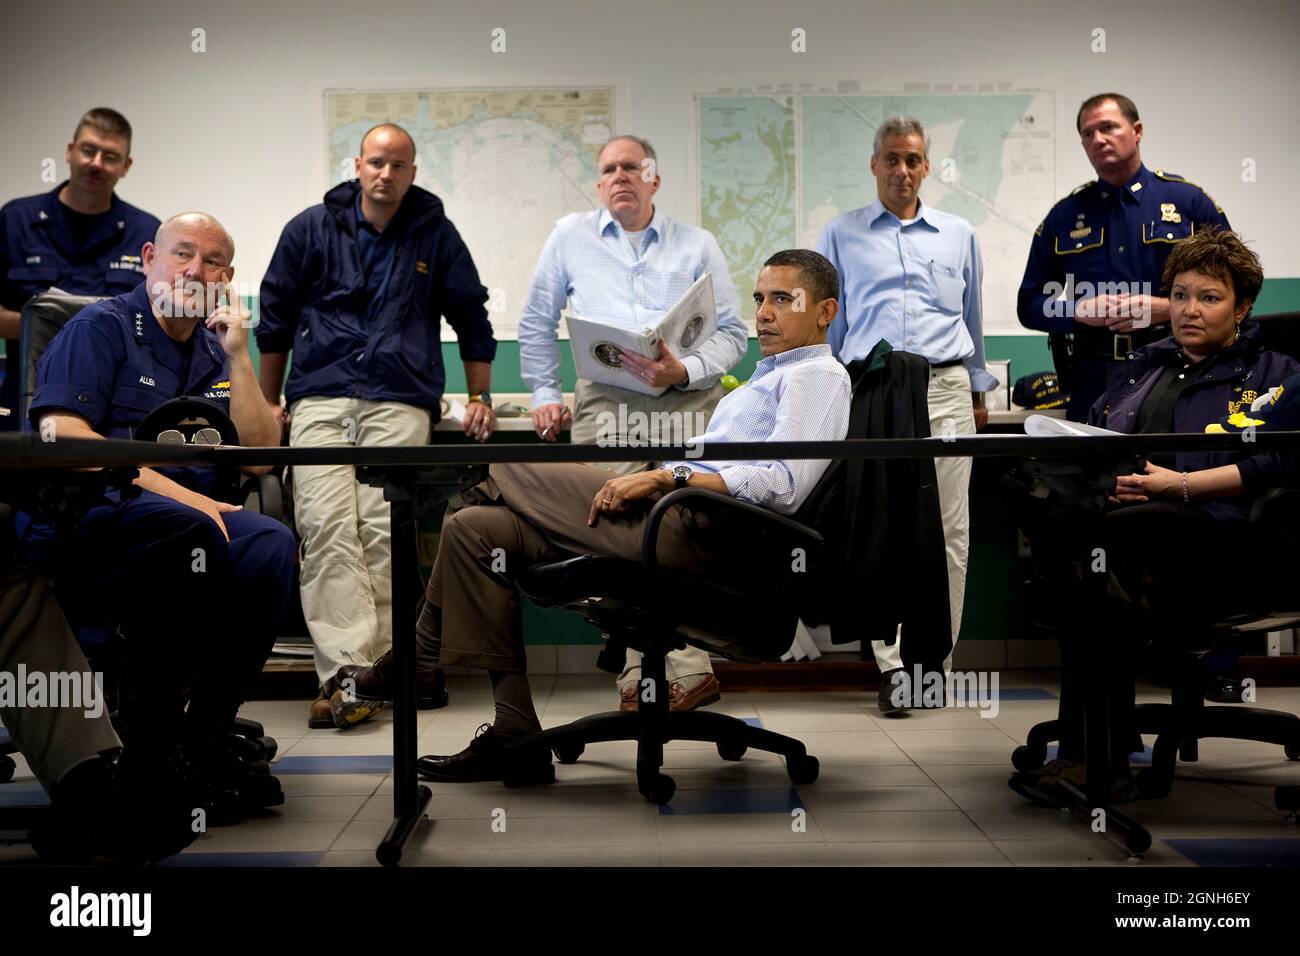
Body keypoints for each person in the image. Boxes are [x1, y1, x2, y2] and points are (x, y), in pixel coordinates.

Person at [340, 250, 850, 782]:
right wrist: (665, 478)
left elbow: (784, 485)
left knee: (492, 469)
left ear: (825, 311)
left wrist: (664, 477)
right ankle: (513, 729)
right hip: (679, 520)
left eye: (783, 299)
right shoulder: (770, 376)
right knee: (474, 529)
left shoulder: (817, 377)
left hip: (707, 540)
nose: (764, 313)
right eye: (760, 299)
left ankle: (413, 664)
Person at [19, 211, 296, 821]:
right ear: (149, 258)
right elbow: (62, 433)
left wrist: (240, 356)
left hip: (198, 521)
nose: (195, 269)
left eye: (213, 261)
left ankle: (205, 735)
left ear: (226, 276)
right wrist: (190, 498)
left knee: (271, 542)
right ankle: (154, 743)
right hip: (97, 514)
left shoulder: (212, 345)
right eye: (182, 254)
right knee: (192, 529)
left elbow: (254, 462)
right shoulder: (101, 328)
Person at [1009, 227, 1300, 805]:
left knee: (1092, 575)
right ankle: (1092, 754)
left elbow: (1284, 462)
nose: (1191, 310)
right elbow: (1099, 435)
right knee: (1029, 495)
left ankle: (1094, 758)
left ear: (1242, 306)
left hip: (1223, 537)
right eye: (1182, 295)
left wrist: (1181, 484)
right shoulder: (1144, 367)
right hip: (1130, 526)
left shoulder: (1275, 374)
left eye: (1210, 297)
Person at [256, 123, 498, 729]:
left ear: (412, 172)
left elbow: (471, 314)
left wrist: (480, 394)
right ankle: (345, 677)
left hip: (399, 400)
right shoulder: (310, 228)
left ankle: (385, 672)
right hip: (319, 399)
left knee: (383, 533)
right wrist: (265, 402)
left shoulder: (435, 233)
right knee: (326, 529)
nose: (386, 174)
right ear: (357, 166)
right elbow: (276, 319)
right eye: (376, 163)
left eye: (399, 165)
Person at [518, 134, 748, 712]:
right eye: (608, 170)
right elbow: (537, 321)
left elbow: (735, 334)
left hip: (685, 400)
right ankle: (634, 670)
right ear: (599, 184)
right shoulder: (568, 237)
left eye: (631, 167)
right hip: (606, 401)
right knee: (610, 525)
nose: (619, 176)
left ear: (654, 178)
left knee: (689, 525)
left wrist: (685, 368)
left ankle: (690, 669)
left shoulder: (697, 244)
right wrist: (545, 394)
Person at [816, 115, 996, 713]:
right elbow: (830, 326)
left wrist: (976, 389)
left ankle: (934, 666)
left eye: (913, 160)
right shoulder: (840, 235)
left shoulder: (958, 233)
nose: (902, 170)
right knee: (881, 527)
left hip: (945, 388)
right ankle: (893, 669)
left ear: (927, 167)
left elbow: (971, 317)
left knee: (949, 532)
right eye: (891, 159)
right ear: (874, 164)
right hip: (872, 388)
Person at [1017, 92, 1232, 421]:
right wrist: (1076, 310)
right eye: (1088, 134)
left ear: (1137, 130)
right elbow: (1030, 305)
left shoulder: (1187, 202)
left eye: (1108, 127)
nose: (1098, 139)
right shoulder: (1064, 217)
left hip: (1177, 368)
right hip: (1094, 379)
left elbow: (1236, 289)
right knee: (1097, 472)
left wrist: (1168, 309)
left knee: (1173, 469)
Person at [0, 108, 159, 430]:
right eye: (88, 150)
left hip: (118, 402)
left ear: (126, 166)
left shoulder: (147, 233)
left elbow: (158, 324)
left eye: (110, 156)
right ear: (71, 152)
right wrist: (62, 328)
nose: (96, 163)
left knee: (124, 475)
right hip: (24, 392)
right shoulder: (15, 220)